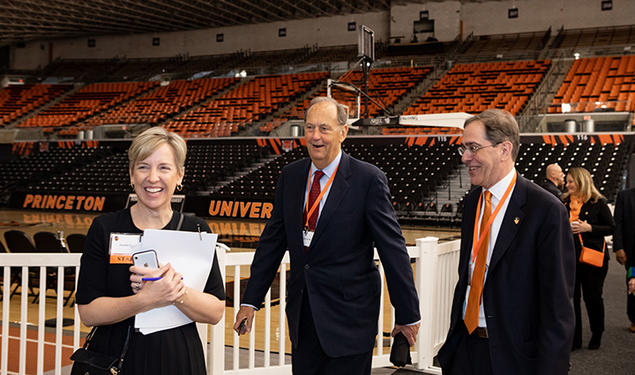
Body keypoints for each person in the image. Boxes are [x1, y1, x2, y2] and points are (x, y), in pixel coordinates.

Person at [233, 97, 420, 375]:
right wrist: (250, 300)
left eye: (324, 128)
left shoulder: (368, 179)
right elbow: (272, 242)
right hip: (303, 318)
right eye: (309, 128)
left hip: (350, 321)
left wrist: (407, 314)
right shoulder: (291, 176)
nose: (315, 136)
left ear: (343, 132)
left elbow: (393, 250)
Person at [75, 127, 225, 374]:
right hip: (115, 360)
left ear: (180, 175)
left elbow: (215, 310)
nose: (153, 177)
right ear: (131, 174)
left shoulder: (196, 229)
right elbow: (89, 312)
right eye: (143, 166)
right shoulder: (104, 228)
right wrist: (145, 300)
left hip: (179, 359)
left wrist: (174, 291)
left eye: (164, 167)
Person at [437, 109, 575, 375]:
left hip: (513, 357)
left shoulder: (545, 210)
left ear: (504, 149)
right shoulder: (472, 203)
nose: (465, 158)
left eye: (474, 148)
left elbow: (557, 305)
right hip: (464, 349)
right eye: (464, 148)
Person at [562, 167, 614, 350]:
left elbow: (611, 228)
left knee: (593, 297)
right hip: (569, 258)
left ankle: (597, 332)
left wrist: (589, 228)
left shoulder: (598, 203)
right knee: (572, 299)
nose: (566, 185)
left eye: (570, 181)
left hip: (594, 259)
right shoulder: (564, 203)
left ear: (581, 181)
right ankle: (574, 339)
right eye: (566, 181)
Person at [614, 187, 635, 333]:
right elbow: (617, 223)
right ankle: (634, 318)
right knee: (632, 283)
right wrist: (618, 247)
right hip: (632, 252)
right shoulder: (624, 196)